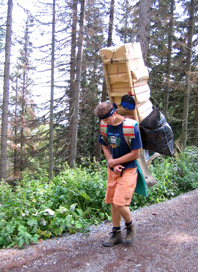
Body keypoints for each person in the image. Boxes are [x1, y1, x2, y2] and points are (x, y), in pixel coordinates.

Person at [94, 101, 142, 247]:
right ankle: (116, 233)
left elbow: (136, 153)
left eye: (107, 119)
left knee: (120, 202)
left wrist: (115, 162)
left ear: (114, 113)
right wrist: (111, 161)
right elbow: (105, 145)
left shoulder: (130, 127)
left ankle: (130, 225)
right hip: (113, 170)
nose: (105, 122)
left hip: (129, 169)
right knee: (112, 202)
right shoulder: (105, 126)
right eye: (103, 120)